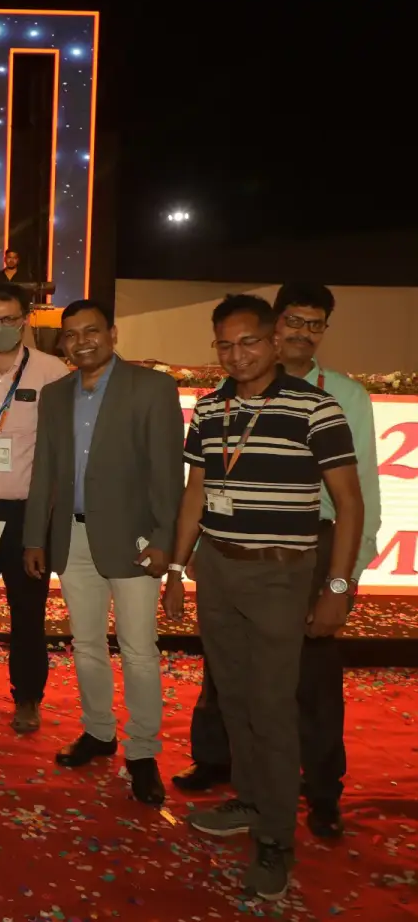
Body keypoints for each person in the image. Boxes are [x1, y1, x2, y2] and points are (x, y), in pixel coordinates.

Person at [166, 294, 363, 902]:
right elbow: (197, 490)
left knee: (274, 708)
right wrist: (176, 567)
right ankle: (251, 801)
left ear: (275, 340)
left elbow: (349, 504)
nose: (236, 354)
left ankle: (276, 839)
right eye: (224, 344)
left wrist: (336, 587)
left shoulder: (316, 407)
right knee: (234, 695)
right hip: (219, 570)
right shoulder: (210, 405)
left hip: (282, 574)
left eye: (247, 341)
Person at [21, 298, 181, 805]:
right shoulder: (55, 394)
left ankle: (143, 751)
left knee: (138, 651)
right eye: (72, 334)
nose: (82, 341)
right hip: (72, 537)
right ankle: (98, 732)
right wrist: (33, 536)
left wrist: (163, 540)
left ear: (112, 333)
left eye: (92, 331)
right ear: (62, 341)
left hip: (135, 543)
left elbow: (166, 473)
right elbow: (43, 470)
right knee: (86, 645)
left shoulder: (152, 388)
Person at [0, 282, 70, 733]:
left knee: (28, 612)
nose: (0, 327)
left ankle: (27, 697)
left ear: (26, 319)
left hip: (27, 512)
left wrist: (45, 521)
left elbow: (60, 450)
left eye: (10, 319)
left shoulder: (52, 371)